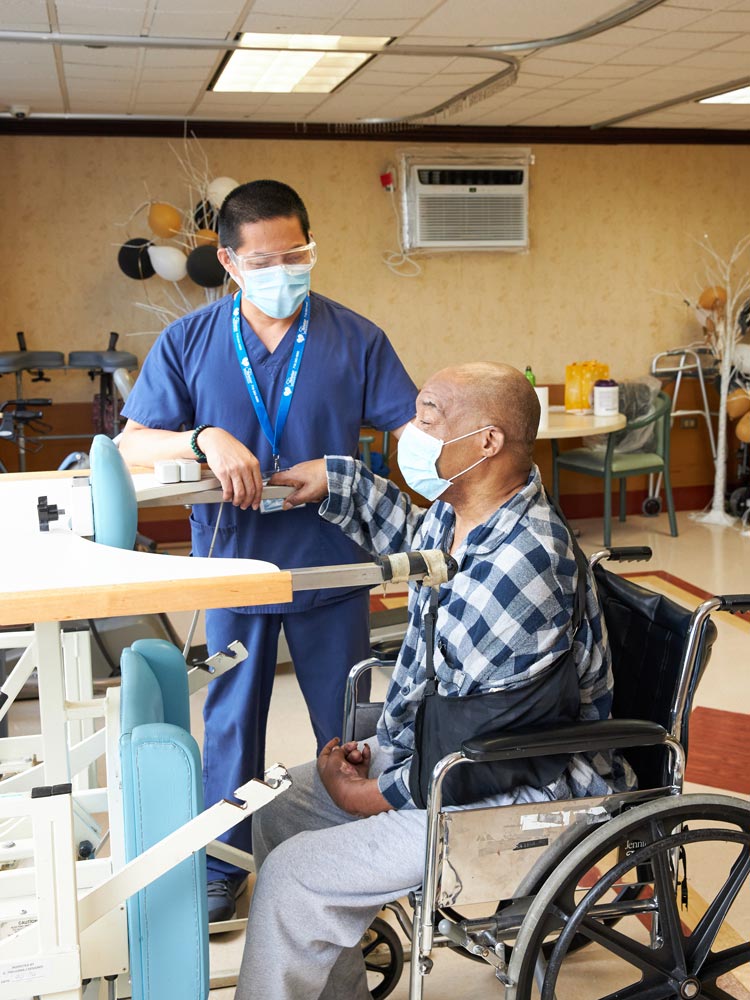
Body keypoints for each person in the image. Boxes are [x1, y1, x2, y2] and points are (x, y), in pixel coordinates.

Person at [234, 362, 636, 1000]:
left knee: (292, 875)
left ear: (486, 443)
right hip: (451, 753)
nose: (411, 432)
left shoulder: (525, 560)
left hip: (513, 786)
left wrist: (379, 793)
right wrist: (334, 480)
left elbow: (490, 737)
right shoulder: (462, 514)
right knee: (281, 806)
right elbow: (406, 537)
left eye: (428, 416)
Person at [118, 179, 417, 921]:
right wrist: (203, 437)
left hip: (331, 564)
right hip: (235, 565)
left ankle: (361, 850)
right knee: (230, 722)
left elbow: (412, 436)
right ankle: (225, 864)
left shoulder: (355, 338)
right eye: (266, 258)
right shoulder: (189, 340)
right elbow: (130, 444)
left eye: (299, 253)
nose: (285, 269)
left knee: (347, 721)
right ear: (228, 260)